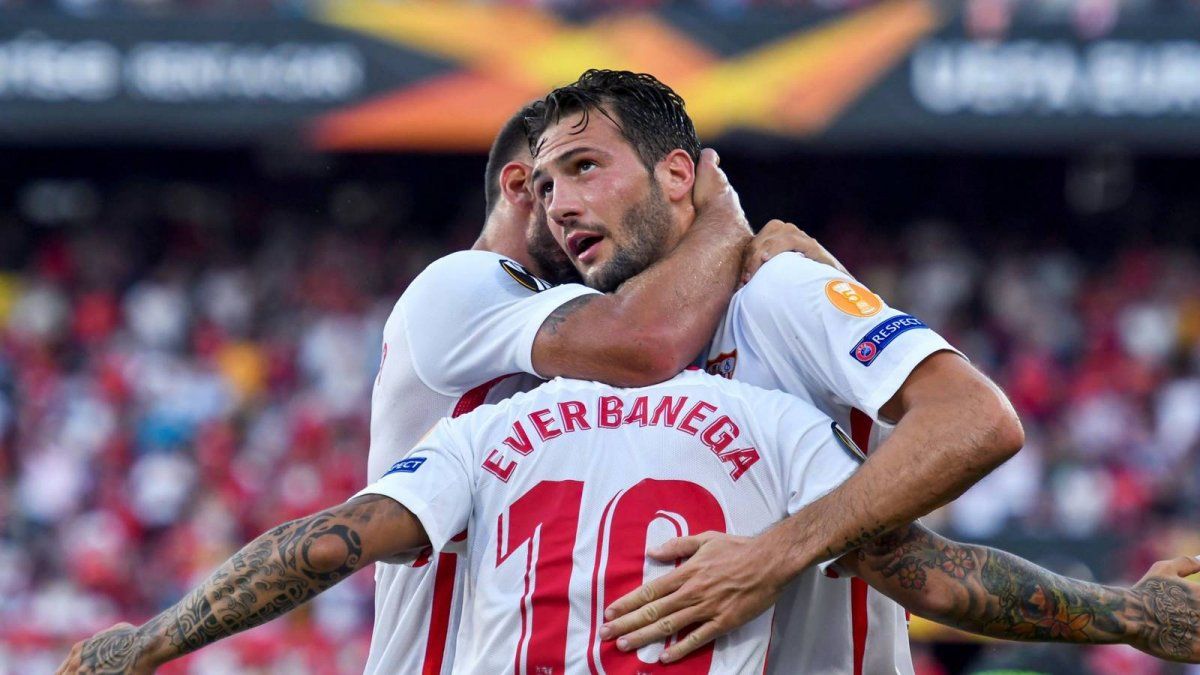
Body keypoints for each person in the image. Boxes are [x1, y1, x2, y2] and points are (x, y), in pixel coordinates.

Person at [55, 370, 1200, 674]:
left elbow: (324, 543)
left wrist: (144, 643)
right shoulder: (779, 426)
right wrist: (1135, 613)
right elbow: (940, 581)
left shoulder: (490, 431)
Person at [519, 69, 1032, 671]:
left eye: (584, 167)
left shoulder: (778, 289)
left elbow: (976, 418)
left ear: (680, 174)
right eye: (545, 186)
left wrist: (773, 555)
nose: (561, 205)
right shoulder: (605, 352)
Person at [335, 103, 825, 674]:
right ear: (521, 185)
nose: (579, 209)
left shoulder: (590, 319)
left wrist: (804, 270)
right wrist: (724, 219)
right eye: (560, 181)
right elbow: (645, 341)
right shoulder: (461, 285)